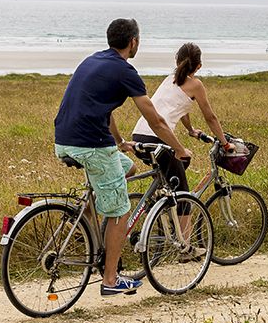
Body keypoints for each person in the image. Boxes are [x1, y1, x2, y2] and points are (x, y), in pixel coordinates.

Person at [53, 18, 191, 297]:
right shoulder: (126, 71)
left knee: (126, 168)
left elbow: (104, 110)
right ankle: (111, 280)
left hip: (64, 140)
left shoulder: (92, 60)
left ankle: (87, 223)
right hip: (91, 145)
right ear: (133, 42)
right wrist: (179, 148)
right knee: (120, 212)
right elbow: (156, 121)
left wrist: (120, 142)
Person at [132, 43, 234, 245]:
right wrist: (224, 142)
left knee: (183, 161)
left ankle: (165, 209)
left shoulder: (169, 79)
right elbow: (211, 117)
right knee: (184, 193)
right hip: (157, 139)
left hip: (139, 136)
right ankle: (185, 248)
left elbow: (181, 107)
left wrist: (190, 130)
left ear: (177, 61)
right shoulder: (196, 85)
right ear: (199, 66)